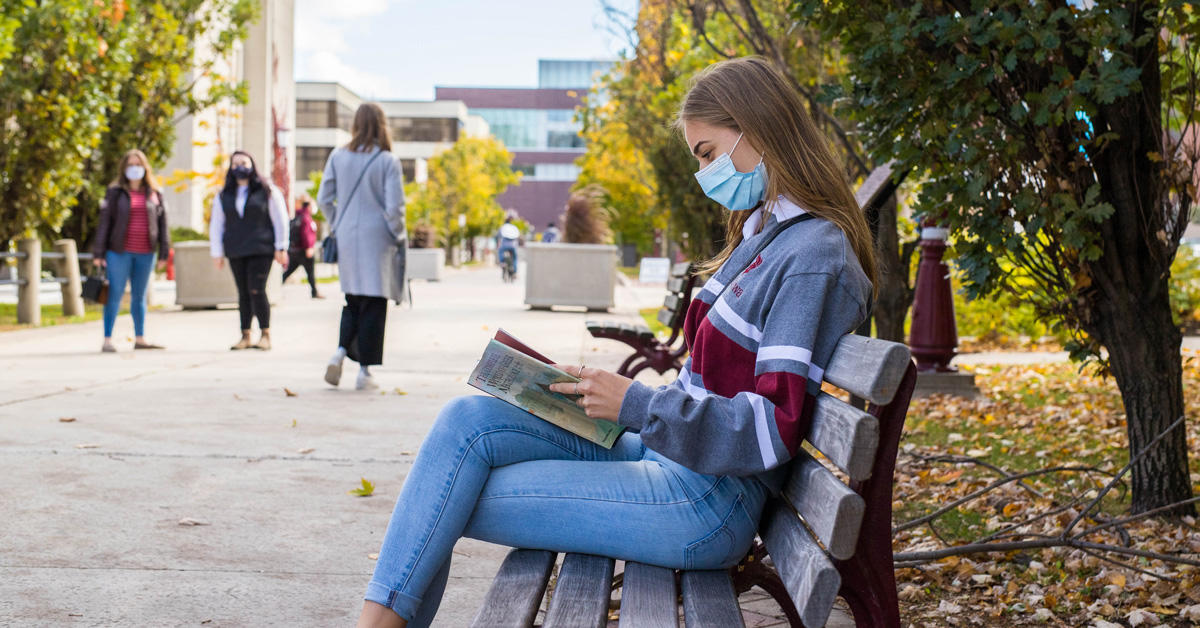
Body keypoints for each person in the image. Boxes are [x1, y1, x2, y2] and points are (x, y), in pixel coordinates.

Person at [354, 56, 879, 628]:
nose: (705, 174)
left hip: (702, 503)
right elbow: (713, 385)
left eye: (707, 154)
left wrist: (635, 402)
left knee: (444, 497)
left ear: (756, 128)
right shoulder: (769, 236)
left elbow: (770, 427)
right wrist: (601, 396)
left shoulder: (810, 257)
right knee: (464, 423)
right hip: (669, 460)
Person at [318, 103, 405, 391]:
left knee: (352, 300)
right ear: (382, 124)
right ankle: (365, 372)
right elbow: (394, 208)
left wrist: (337, 224)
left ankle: (340, 351)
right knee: (374, 303)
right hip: (377, 238)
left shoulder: (338, 155)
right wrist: (398, 234)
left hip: (347, 238)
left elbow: (323, 198)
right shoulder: (387, 161)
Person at [91, 149, 170, 353]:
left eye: (138, 164)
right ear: (124, 168)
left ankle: (140, 338)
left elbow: (163, 225)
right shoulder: (115, 192)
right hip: (119, 252)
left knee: (139, 296)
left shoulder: (155, 193)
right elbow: (104, 224)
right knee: (114, 294)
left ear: (145, 168)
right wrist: (98, 254)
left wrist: (164, 252)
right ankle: (107, 339)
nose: (135, 169)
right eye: (130, 165)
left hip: (146, 252)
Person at [208, 151, 289, 351]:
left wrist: (281, 246)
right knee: (243, 292)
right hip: (236, 249)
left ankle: (265, 333)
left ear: (252, 165)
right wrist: (216, 252)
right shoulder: (224, 194)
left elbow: (280, 219)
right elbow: (217, 224)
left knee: (257, 290)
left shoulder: (267, 191)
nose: (239, 167)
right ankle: (245, 334)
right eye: (235, 164)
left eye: (243, 162)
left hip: (261, 248)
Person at [283, 193, 323, 299]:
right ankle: (314, 292)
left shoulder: (299, 216)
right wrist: (309, 247)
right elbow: (306, 234)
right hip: (305, 251)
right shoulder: (306, 218)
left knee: (288, 272)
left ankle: (314, 291)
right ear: (308, 206)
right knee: (310, 273)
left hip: (296, 250)